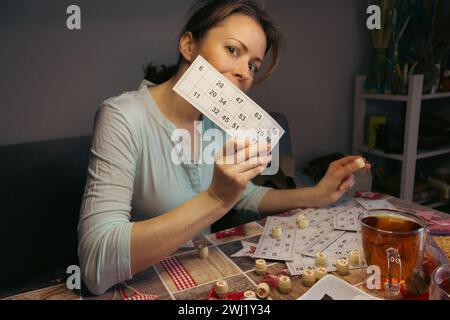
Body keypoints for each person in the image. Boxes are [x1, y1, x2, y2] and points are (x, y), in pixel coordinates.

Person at [78, 0, 371, 295]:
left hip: (203, 273)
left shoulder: (216, 124)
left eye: (253, 65)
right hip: (145, 282)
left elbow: (245, 194)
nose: (245, 73)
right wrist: (216, 198)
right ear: (188, 46)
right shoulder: (122, 117)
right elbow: (94, 264)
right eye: (233, 50)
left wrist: (318, 194)